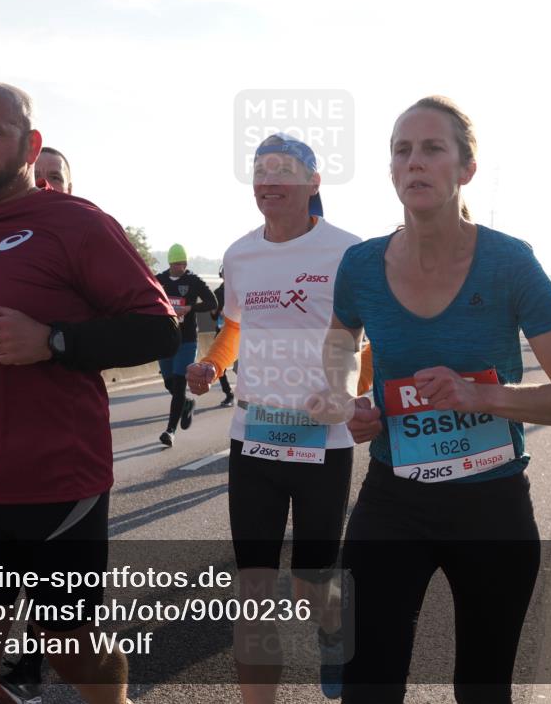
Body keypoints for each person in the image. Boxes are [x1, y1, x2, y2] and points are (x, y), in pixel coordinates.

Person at [0, 82, 179, 704]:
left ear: (31, 145)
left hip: (54, 487)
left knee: (75, 651)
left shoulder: (78, 224)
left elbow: (158, 327)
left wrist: (53, 342)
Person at [316, 96, 551, 704]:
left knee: (481, 689)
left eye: (432, 148)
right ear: (391, 170)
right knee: (366, 685)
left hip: (491, 504)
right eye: (402, 151)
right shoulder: (361, 265)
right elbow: (340, 346)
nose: (414, 162)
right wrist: (349, 402)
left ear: (465, 168)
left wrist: (481, 394)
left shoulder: (509, 262)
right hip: (393, 500)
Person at [187, 133, 364, 702]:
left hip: (322, 441)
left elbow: (369, 336)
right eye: (260, 170)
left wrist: (354, 394)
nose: (269, 181)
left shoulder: (349, 252)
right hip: (255, 438)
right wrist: (213, 365)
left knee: (313, 587)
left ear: (314, 183)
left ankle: (334, 629)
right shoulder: (240, 253)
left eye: (284, 170)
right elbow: (234, 326)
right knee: (254, 590)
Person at [0, 144, 72, 704]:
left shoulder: (86, 235)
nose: (45, 185)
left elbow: (150, 325)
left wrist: (53, 341)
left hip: (61, 456)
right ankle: (12, 671)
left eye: (55, 178)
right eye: (38, 176)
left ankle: (46, 668)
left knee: (62, 619)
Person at [154, 244, 216, 447]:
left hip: (187, 339)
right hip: (164, 339)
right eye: (177, 264)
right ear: (170, 263)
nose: (181, 267)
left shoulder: (192, 281)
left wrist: (190, 307)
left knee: (179, 385)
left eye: (183, 264)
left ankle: (170, 431)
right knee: (169, 383)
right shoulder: (159, 280)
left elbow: (212, 302)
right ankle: (187, 403)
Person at [211, 266, 235, 408]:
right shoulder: (217, 293)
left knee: (244, 366)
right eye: (225, 273)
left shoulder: (239, 291)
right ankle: (229, 394)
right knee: (220, 367)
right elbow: (213, 316)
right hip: (222, 333)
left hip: (239, 333)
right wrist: (216, 311)